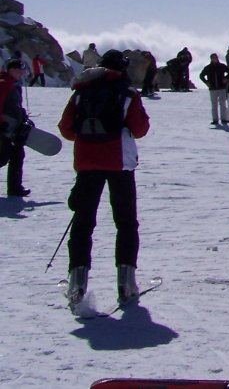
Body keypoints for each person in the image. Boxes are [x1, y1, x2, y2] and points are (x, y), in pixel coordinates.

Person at [57, 49, 150, 307]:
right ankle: (127, 284)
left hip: (86, 163)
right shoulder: (128, 93)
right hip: (120, 163)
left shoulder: (81, 92)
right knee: (126, 222)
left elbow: (66, 129)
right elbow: (140, 129)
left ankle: (77, 285)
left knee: (83, 222)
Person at [0, 58, 31, 197]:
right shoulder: (3, 83)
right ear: (12, 70)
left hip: (13, 128)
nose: (22, 73)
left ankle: (15, 188)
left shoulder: (12, 84)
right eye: (20, 70)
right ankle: (14, 188)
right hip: (4, 129)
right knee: (3, 157)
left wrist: (22, 116)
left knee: (17, 155)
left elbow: (14, 106)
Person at [199, 53, 229, 125]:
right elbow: (201, 75)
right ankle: (215, 120)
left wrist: (226, 78)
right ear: (211, 59)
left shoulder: (222, 66)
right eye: (213, 58)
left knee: (222, 104)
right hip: (212, 88)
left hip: (222, 88)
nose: (214, 59)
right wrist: (206, 82)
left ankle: (224, 119)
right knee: (214, 105)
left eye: (215, 58)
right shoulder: (208, 67)